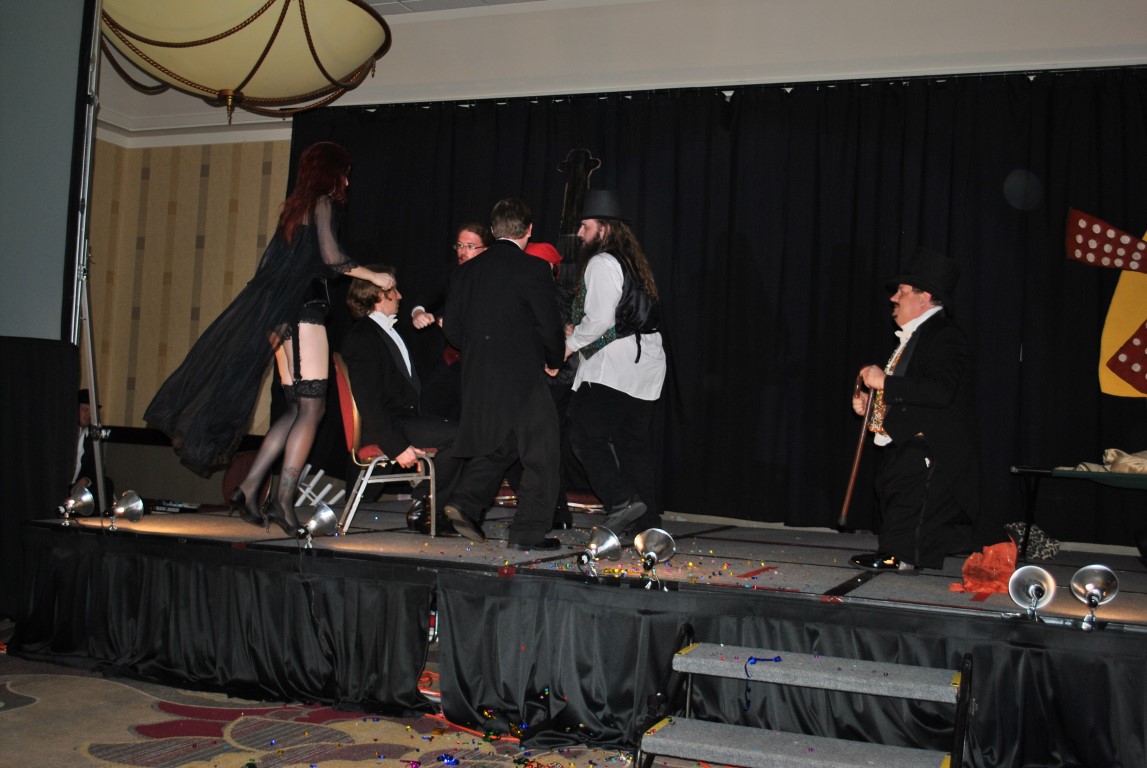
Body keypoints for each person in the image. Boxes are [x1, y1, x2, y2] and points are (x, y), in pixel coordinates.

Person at [144, 141, 394, 536]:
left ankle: (249, 487)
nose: (347, 181)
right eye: (344, 173)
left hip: (277, 317)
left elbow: (274, 268)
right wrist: (375, 276)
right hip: (303, 311)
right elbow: (332, 259)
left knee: (295, 408)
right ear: (331, 173)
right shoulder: (324, 203)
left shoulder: (294, 211)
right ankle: (282, 500)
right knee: (312, 409)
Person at [440, 198, 566, 550]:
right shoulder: (533, 269)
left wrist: (481, 352)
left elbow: (451, 330)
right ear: (529, 230)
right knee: (542, 452)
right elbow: (548, 325)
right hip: (522, 375)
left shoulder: (465, 272)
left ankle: (465, 502)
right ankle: (528, 531)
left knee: (503, 443)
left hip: (479, 375)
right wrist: (554, 359)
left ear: (493, 230)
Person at [849, 247, 979, 572]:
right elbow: (910, 393)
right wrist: (872, 405)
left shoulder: (945, 336)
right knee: (893, 487)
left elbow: (940, 391)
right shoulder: (916, 337)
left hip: (933, 443)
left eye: (902, 292)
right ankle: (898, 551)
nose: (894, 298)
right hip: (910, 439)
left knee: (912, 497)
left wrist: (885, 382)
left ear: (926, 298)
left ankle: (900, 554)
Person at [564, 190, 666, 534]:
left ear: (604, 229)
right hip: (644, 367)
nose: (580, 233)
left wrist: (569, 345)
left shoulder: (602, 262)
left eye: (586, 226)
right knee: (632, 446)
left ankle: (620, 500)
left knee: (583, 433)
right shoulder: (633, 262)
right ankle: (648, 526)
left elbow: (600, 320)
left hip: (615, 367)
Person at [340, 265, 464, 533]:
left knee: (461, 431)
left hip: (403, 419)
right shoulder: (363, 337)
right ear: (378, 295)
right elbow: (368, 402)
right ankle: (426, 509)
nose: (400, 295)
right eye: (394, 290)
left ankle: (426, 504)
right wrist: (396, 446)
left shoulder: (386, 331)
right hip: (390, 425)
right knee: (458, 436)